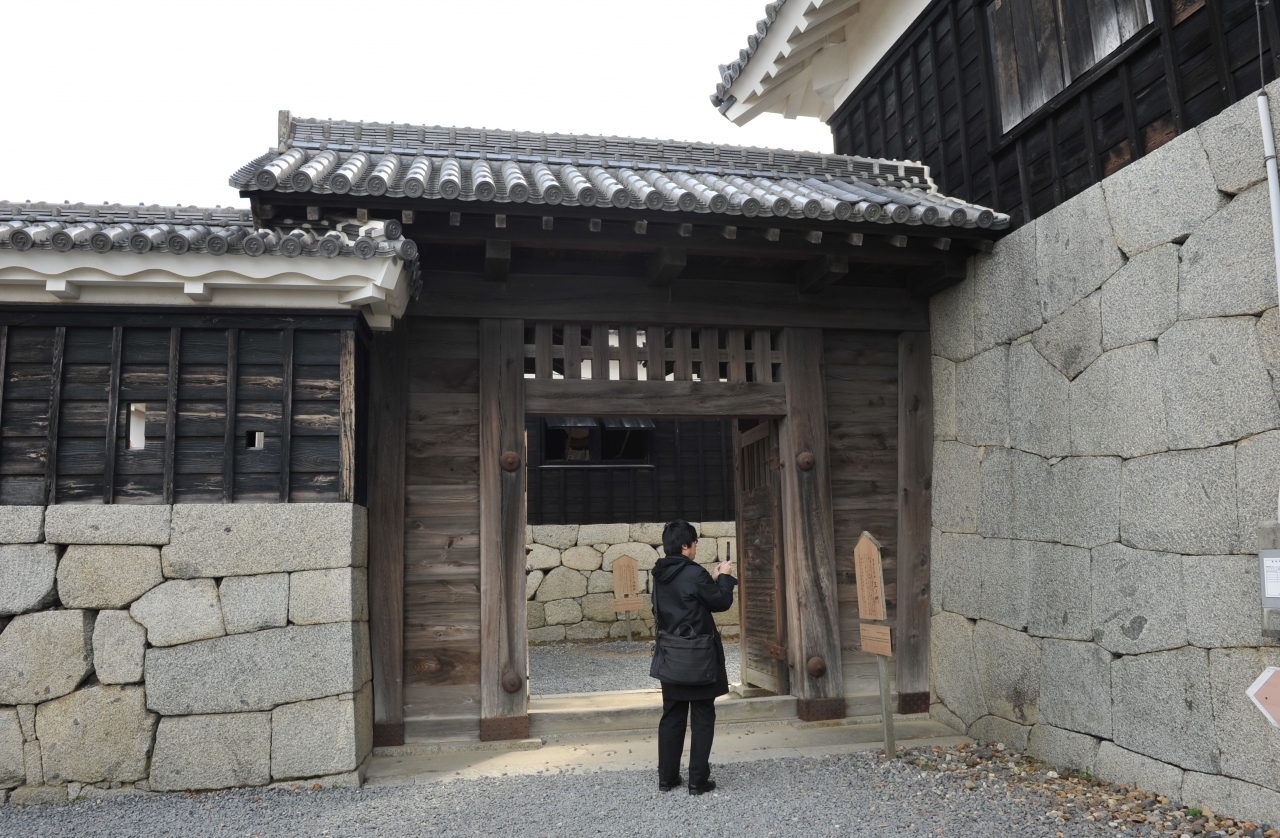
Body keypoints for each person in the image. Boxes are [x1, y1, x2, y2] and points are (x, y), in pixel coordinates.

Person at [651, 520, 737, 795]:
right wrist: (724, 578)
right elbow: (720, 602)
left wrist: (710, 579)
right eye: (695, 543)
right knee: (702, 715)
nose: (696, 547)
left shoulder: (660, 573)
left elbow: (684, 598)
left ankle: (667, 778)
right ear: (685, 545)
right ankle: (697, 781)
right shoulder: (694, 573)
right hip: (699, 656)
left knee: (672, 715)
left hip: (670, 654)